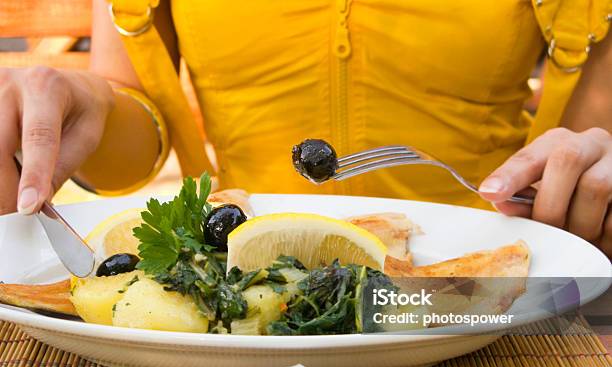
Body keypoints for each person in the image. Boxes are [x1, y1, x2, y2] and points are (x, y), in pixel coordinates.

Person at [0, 1, 610, 256]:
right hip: (240, 285)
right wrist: (82, 104)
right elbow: (133, 139)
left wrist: (591, 169)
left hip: (478, 289)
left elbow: (587, 150)